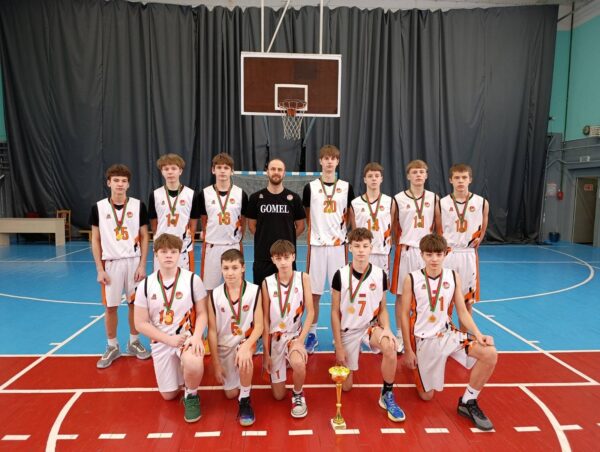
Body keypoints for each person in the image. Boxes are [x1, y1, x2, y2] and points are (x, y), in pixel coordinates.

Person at [400, 233, 497, 431]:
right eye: (429, 254)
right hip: (423, 339)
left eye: (438, 254)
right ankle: (418, 369)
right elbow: (403, 315)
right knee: (427, 396)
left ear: (445, 254)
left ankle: (468, 401)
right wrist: (408, 350)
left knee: (490, 354)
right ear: (422, 255)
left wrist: (479, 335)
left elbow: (462, 311)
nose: (434, 259)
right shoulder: (412, 278)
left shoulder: (453, 276)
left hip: (448, 334)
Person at [331, 228, 405, 422]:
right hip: (347, 331)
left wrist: (387, 329)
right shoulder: (340, 275)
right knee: (346, 387)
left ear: (371, 247)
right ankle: (343, 352)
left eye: (365, 246)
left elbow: (383, 309)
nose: (361, 250)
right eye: (357, 246)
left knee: (390, 346)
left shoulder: (380, 275)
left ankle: (387, 393)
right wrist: (339, 346)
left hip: (369, 328)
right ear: (350, 248)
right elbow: (334, 312)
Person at [134, 233, 208, 423]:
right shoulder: (145, 285)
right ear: (156, 254)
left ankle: (191, 395)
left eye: (173, 252)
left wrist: (197, 336)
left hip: (186, 338)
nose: (169, 255)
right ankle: (184, 371)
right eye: (164, 252)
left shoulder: (192, 280)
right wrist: (168, 340)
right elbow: (139, 323)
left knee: (193, 362)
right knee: (169, 395)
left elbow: (202, 313)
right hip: (162, 341)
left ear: (180, 254)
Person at [90, 164, 151, 369]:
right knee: (111, 307)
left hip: (133, 262)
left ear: (128, 184)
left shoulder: (138, 205)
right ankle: (112, 346)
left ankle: (134, 342)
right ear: (109, 183)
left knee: (135, 305)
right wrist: (100, 269)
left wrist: (142, 264)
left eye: (124, 181)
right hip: (111, 263)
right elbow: (95, 239)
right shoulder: (98, 208)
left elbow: (144, 236)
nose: (120, 184)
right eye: (116, 180)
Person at [302, 145, 354, 353]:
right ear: (320, 161)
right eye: (326, 158)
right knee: (314, 293)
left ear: (337, 162)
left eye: (333, 158)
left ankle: (340, 334)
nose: (330, 161)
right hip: (316, 246)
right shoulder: (310, 187)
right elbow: (308, 215)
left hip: (338, 247)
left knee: (339, 294)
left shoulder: (347, 187)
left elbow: (350, 215)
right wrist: (319, 232)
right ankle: (311, 333)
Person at [207, 249, 262, 427]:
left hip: (245, 342)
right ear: (221, 269)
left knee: (244, 357)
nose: (230, 273)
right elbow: (212, 331)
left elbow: (259, 326)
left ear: (243, 268)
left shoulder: (254, 291)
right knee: (230, 393)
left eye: (234, 267)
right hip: (224, 347)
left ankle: (245, 399)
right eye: (226, 268)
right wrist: (216, 363)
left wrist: (247, 346)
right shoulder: (214, 295)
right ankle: (240, 380)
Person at [262, 240, 314, 418]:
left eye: (286, 257)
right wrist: (266, 353)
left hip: (294, 336)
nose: (283, 262)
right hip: (275, 338)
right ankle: (283, 360)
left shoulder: (303, 278)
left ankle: (298, 393)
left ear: (293, 257)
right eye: (278, 258)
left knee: (299, 364)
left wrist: (300, 342)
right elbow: (265, 319)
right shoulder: (267, 283)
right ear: (273, 260)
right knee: (278, 396)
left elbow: (311, 312)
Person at [391, 159, 439, 353]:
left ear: (426, 175)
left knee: (426, 294)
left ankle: (424, 333)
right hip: (406, 250)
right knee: (401, 295)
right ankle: (400, 335)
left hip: (426, 253)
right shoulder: (398, 199)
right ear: (408, 176)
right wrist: (401, 242)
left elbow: (438, 225)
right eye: (414, 172)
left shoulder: (434, 198)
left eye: (421, 172)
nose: (418, 175)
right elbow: (393, 225)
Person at [246, 158, 305, 286]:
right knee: (262, 293)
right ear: (267, 172)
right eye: (273, 169)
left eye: (279, 169)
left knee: (287, 294)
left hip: (286, 257)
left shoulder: (294, 198)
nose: (276, 172)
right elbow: (251, 225)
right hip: (263, 257)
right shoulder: (255, 198)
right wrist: (264, 238)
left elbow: (301, 226)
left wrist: (287, 239)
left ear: (284, 173)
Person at [439, 164, 489, 315]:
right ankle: (445, 329)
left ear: (470, 180)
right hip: (449, 252)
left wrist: (477, 241)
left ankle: (465, 330)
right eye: (457, 178)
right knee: (445, 298)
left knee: (467, 301)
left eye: (464, 177)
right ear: (451, 180)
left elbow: (483, 226)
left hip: (468, 253)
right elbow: (438, 228)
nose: (460, 181)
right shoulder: (442, 203)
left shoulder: (481, 202)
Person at [199, 153, 248, 291]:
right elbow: (204, 220)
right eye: (219, 167)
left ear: (232, 171)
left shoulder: (241, 194)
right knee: (209, 288)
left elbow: (243, 220)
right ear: (213, 170)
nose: (222, 171)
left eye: (226, 168)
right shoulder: (204, 194)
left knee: (236, 286)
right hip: (212, 246)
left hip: (233, 245)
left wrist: (238, 237)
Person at [149, 153, 200, 271]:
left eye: (173, 168)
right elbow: (154, 223)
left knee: (184, 280)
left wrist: (189, 239)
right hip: (161, 247)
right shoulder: (155, 195)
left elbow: (193, 224)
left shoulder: (191, 194)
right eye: (166, 169)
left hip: (183, 247)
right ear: (162, 172)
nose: (170, 172)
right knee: (161, 279)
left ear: (180, 171)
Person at [350, 162, 395, 275]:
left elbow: (392, 225)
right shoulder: (355, 203)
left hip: (382, 251)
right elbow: (355, 231)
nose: (374, 179)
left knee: (382, 283)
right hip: (362, 251)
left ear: (381, 179)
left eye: (377, 176)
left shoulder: (390, 201)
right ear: (365, 180)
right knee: (361, 282)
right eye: (370, 176)